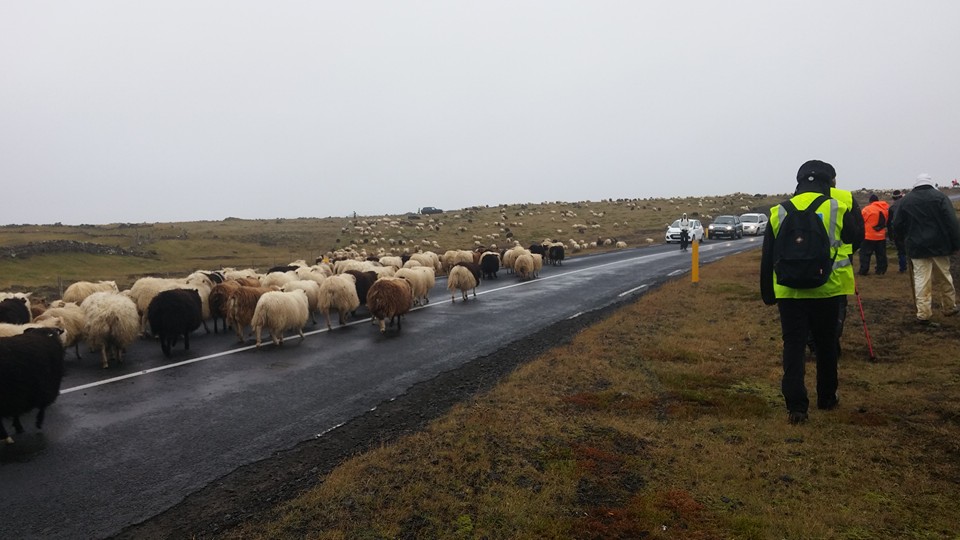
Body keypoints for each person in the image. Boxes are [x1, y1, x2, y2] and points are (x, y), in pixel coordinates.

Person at [761, 160, 860, 424]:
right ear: (829, 182)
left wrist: (768, 293)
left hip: (788, 292)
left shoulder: (778, 211)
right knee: (826, 344)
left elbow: (768, 256)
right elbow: (855, 238)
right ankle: (827, 397)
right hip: (828, 289)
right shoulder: (838, 207)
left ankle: (796, 406)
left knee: (792, 345)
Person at [891, 174, 960, 325]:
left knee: (921, 280)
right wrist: (956, 244)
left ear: (916, 185)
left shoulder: (906, 200)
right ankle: (949, 307)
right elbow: (952, 221)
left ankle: (923, 314)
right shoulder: (940, 197)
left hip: (917, 247)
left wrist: (901, 242)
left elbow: (896, 224)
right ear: (930, 183)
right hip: (940, 245)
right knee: (944, 277)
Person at [859, 193, 890, 275]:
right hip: (881, 236)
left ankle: (864, 270)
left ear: (870, 201)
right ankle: (881, 270)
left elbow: (861, 221)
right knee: (881, 255)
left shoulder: (867, 209)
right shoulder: (885, 209)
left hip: (868, 236)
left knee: (865, 254)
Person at [887, 189, 908, 273]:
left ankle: (903, 268)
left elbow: (889, 223)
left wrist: (890, 235)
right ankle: (915, 268)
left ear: (893, 198)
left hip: (897, 233)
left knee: (901, 251)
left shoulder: (892, 208)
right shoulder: (907, 204)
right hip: (909, 231)